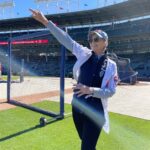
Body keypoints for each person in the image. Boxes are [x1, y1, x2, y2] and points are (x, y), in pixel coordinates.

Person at [29, 9, 118, 150]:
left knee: (86, 147)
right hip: (77, 107)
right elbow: (66, 39)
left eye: (96, 39)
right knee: (86, 142)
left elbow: (111, 91)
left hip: (95, 111)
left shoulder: (111, 65)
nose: (92, 42)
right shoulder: (84, 53)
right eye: (91, 39)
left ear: (105, 42)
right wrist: (46, 22)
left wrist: (90, 90)